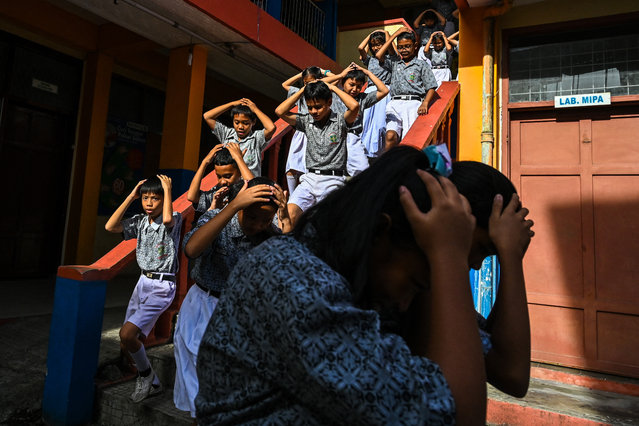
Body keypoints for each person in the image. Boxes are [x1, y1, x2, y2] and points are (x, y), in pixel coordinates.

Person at [195, 146, 493, 424]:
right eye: (416, 284)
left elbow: (506, 370)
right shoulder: (296, 279)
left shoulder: (347, 275)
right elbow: (456, 414)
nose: (407, 304)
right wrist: (449, 257)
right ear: (380, 233)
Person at [173, 177, 289, 418]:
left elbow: (290, 265)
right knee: (200, 389)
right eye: (252, 217)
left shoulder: (270, 235)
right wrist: (233, 206)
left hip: (242, 315)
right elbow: (191, 250)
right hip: (204, 309)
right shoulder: (216, 219)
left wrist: (284, 217)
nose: (258, 225)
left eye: (266, 219)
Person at [104, 175, 182, 403]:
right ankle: (153, 382)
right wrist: (131, 196)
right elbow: (111, 226)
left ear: (164, 199)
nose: (149, 203)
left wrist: (168, 190)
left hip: (162, 285)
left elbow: (167, 218)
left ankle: (146, 376)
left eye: (154, 198)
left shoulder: (173, 218)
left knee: (126, 334)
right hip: (142, 283)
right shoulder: (139, 221)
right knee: (127, 341)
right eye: (145, 198)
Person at [275, 80, 359, 226]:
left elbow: (354, 106)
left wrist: (332, 87)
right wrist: (303, 91)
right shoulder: (306, 121)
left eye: (318, 107)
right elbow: (279, 111)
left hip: (333, 181)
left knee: (328, 225)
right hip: (309, 179)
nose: (314, 111)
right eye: (310, 107)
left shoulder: (340, 121)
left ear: (329, 102)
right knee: (288, 215)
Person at [376, 27, 438, 150]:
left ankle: (408, 167)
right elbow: (379, 55)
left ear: (415, 46)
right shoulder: (395, 62)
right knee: (390, 136)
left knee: (409, 141)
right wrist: (395, 35)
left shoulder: (421, 64)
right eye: (400, 47)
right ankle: (389, 166)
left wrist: (425, 103)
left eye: (407, 46)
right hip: (394, 103)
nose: (403, 50)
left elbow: (431, 86)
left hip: (412, 104)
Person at [281, 66, 338, 194]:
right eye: (306, 82)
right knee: (292, 166)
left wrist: (324, 72)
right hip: (301, 132)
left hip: (314, 132)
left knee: (307, 169)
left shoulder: (323, 92)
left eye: (311, 81)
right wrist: (301, 76)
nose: (308, 85)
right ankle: (292, 195)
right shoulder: (300, 93)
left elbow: (338, 78)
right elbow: (285, 84)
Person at [324, 63, 389, 175]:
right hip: (333, 137)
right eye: (351, 84)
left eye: (359, 86)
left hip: (352, 138)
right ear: (343, 82)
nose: (355, 89)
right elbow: (316, 85)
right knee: (334, 174)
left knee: (362, 171)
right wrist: (340, 75)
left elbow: (384, 91)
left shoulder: (363, 99)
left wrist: (367, 72)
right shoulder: (333, 96)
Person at [203, 98, 276, 177]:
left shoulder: (256, 138)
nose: (240, 127)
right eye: (236, 122)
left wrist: (255, 109)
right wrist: (231, 104)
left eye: (245, 123)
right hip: (229, 187)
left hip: (250, 186)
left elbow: (271, 128)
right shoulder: (227, 134)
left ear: (253, 122)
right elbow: (207, 116)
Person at [186, 142, 254, 219]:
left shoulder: (244, 190)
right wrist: (204, 163)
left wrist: (239, 159)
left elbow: (254, 187)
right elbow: (192, 197)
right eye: (219, 176)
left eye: (228, 176)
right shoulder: (217, 195)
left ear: (240, 172)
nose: (222, 181)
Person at [358, 30, 397, 160]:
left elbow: (382, 53)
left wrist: (387, 34)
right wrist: (371, 35)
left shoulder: (391, 59)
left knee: (380, 124)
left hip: (384, 93)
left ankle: (381, 154)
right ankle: (366, 152)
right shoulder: (369, 60)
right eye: (373, 45)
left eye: (379, 44)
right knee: (366, 123)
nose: (376, 48)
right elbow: (360, 48)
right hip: (370, 93)